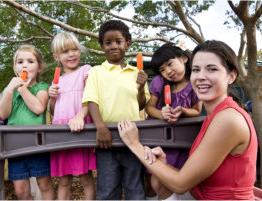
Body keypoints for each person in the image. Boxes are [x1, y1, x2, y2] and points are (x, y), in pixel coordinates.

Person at [118, 40, 258, 200]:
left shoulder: (228, 120)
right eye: (196, 69)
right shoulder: (216, 116)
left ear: (231, 76)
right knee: (157, 183)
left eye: (212, 69)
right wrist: (162, 163)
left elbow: (180, 184)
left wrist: (135, 145)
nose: (200, 76)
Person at [82, 20, 150, 200]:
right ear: (102, 46)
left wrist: (142, 87)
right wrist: (101, 127)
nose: (114, 46)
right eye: (108, 42)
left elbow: (141, 105)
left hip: (133, 137)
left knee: (135, 188)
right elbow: (91, 100)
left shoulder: (137, 72)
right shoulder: (96, 72)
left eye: (118, 41)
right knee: (107, 189)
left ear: (127, 44)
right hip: (107, 139)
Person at [145, 42, 202, 200]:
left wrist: (183, 111)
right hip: (158, 139)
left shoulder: (194, 84)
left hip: (180, 141)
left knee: (177, 179)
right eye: (162, 69)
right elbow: (149, 107)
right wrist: (161, 113)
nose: (168, 71)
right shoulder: (159, 82)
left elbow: (197, 110)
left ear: (183, 58)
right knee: (156, 181)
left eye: (170, 64)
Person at [0, 44, 54, 200]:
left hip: (38, 144)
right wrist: (9, 91)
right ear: (15, 67)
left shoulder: (42, 87)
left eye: (30, 61)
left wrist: (23, 88)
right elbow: (3, 114)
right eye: (20, 61)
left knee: (44, 184)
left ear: (40, 67)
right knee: (21, 191)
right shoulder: (9, 90)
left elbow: (38, 108)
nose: (24, 65)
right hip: (15, 146)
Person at [48, 32, 96, 200]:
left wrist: (80, 116)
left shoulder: (85, 71)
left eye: (74, 49)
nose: (71, 54)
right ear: (57, 57)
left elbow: (92, 98)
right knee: (64, 180)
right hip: (61, 132)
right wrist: (52, 97)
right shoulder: (56, 81)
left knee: (85, 177)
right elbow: (53, 111)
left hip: (80, 129)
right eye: (65, 51)